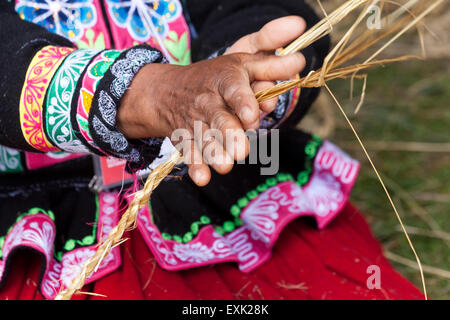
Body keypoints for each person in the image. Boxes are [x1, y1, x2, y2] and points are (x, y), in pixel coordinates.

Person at [0, 0, 423, 300]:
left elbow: (258, 10)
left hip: (216, 195)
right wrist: (149, 95)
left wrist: (249, 75)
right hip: (39, 221)